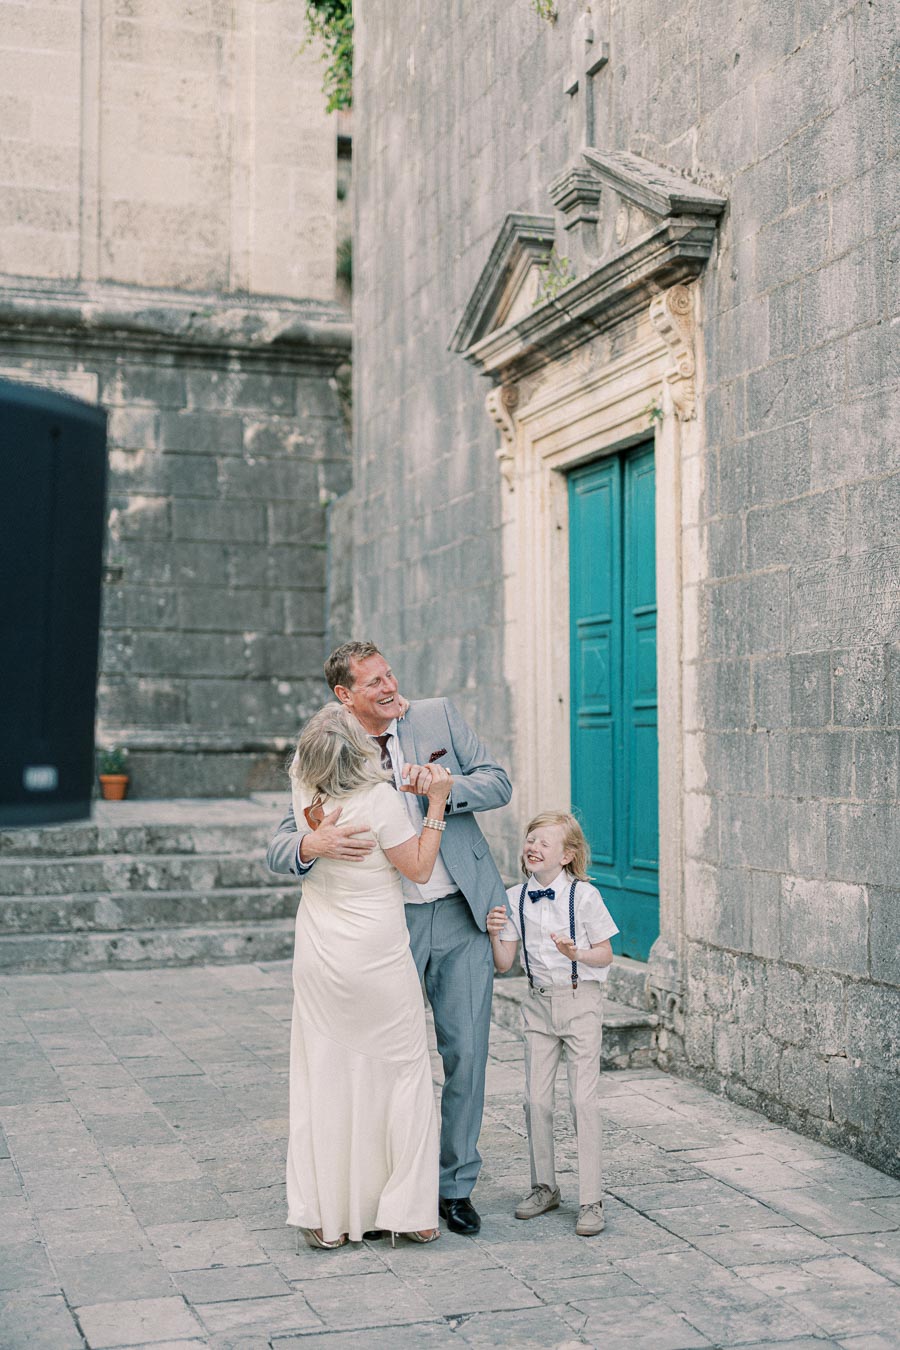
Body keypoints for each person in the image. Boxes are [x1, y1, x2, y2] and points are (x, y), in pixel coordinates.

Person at [267, 640, 512, 1236]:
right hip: (384, 929)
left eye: (390, 674)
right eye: (373, 681)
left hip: (459, 912)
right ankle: (386, 1190)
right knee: (388, 1065)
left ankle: (452, 1188)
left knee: (467, 1055)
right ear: (344, 695)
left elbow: (499, 783)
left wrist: (441, 787)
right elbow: (280, 841)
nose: (389, 687)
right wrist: (311, 845)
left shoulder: (438, 716)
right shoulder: (328, 746)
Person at [286, 702, 453, 1248]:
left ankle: (328, 1218)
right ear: (360, 750)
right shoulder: (378, 800)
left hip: (320, 955)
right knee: (404, 1074)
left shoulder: (304, 790)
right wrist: (436, 805)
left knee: (324, 1078)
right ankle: (410, 1212)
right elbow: (420, 869)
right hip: (377, 958)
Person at [486, 810, 618, 1238]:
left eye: (545, 842)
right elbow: (505, 963)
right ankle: (545, 1186)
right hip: (538, 1005)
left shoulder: (585, 897)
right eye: (531, 839)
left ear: (567, 855)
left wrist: (576, 953)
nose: (533, 847)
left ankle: (591, 1199)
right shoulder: (514, 897)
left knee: (583, 1101)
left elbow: (606, 954)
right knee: (535, 1101)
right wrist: (493, 933)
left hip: (581, 1002)